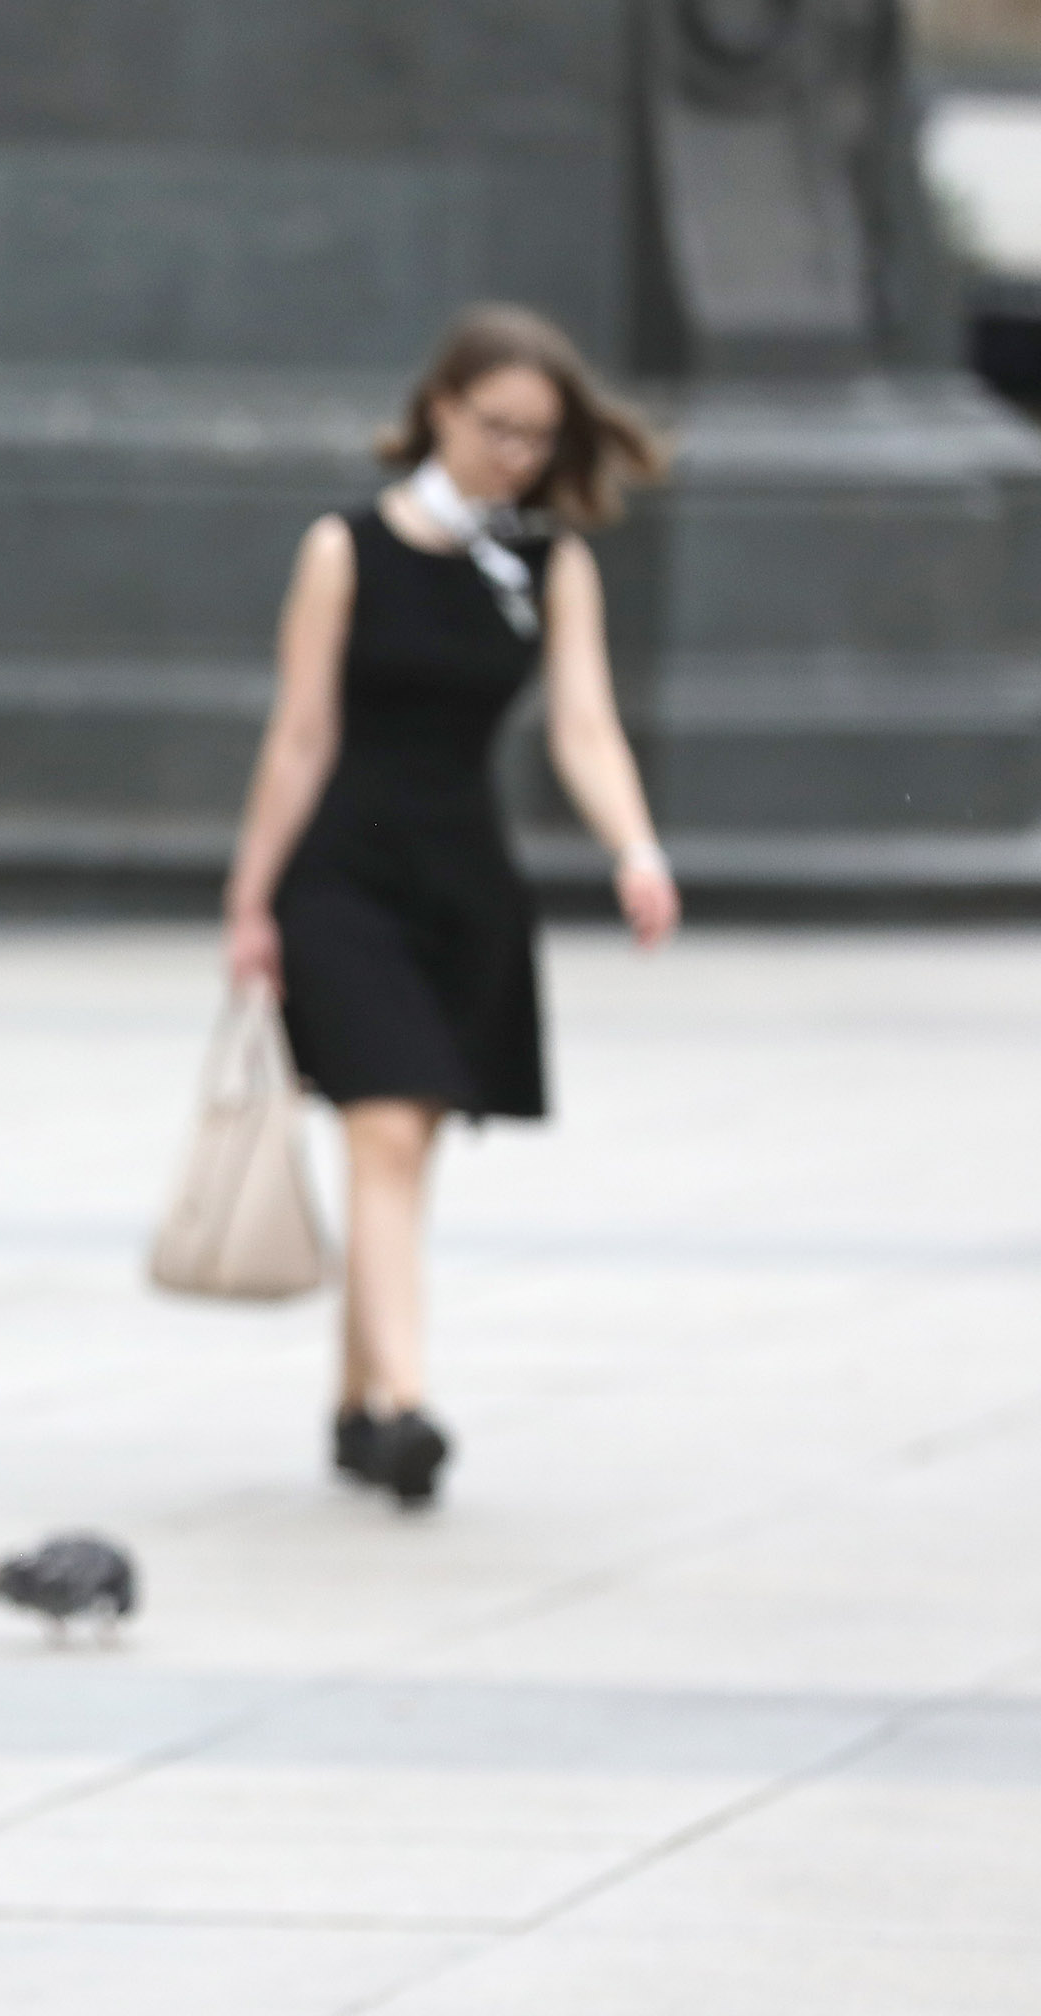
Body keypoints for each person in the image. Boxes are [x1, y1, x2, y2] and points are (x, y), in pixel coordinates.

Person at [219, 303, 676, 1510]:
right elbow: (301, 733)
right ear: (438, 407)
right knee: (382, 1122)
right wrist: (251, 898)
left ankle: (356, 1407)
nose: (516, 455)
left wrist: (634, 848)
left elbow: (582, 724)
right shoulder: (344, 547)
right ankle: (409, 1406)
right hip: (338, 875)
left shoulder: (549, 563)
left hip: (463, 880)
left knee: (403, 1141)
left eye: (538, 437)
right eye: (496, 427)